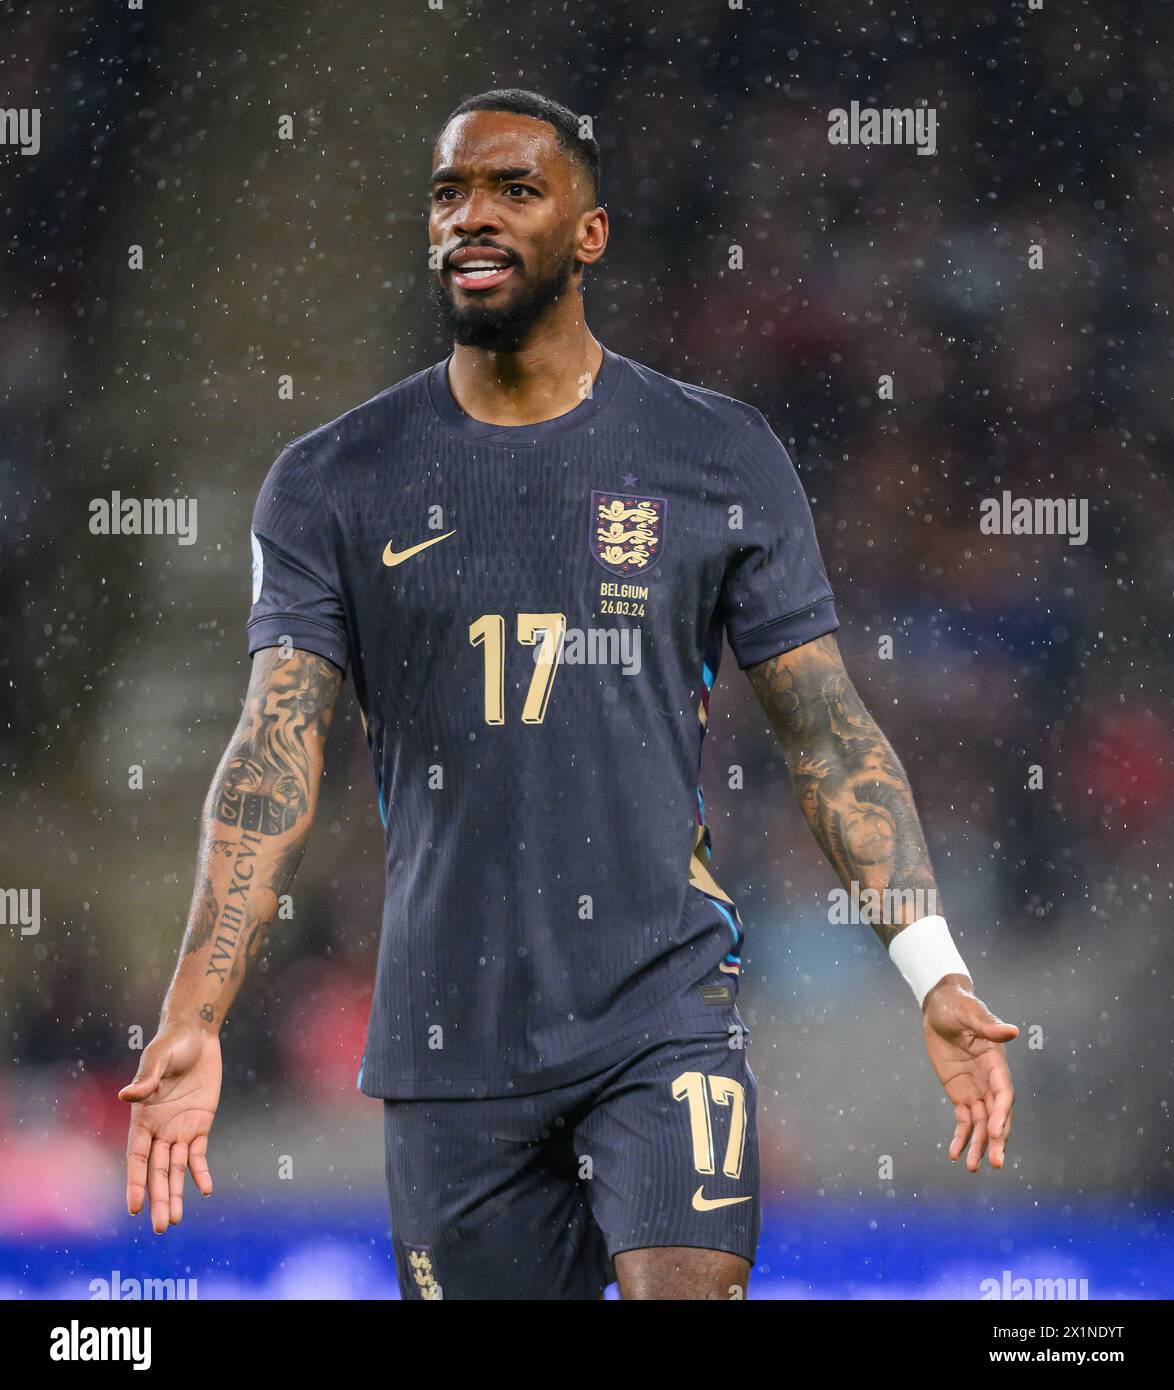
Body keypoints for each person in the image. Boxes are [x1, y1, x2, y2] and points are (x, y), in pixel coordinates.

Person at [120, 88, 1016, 1301]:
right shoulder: (331, 479)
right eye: (448, 194)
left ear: (589, 234)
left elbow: (827, 734)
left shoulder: (716, 453)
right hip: (450, 1040)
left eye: (512, 190)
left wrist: (934, 969)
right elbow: (272, 751)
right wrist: (194, 1011)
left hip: (661, 1007)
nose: (470, 219)